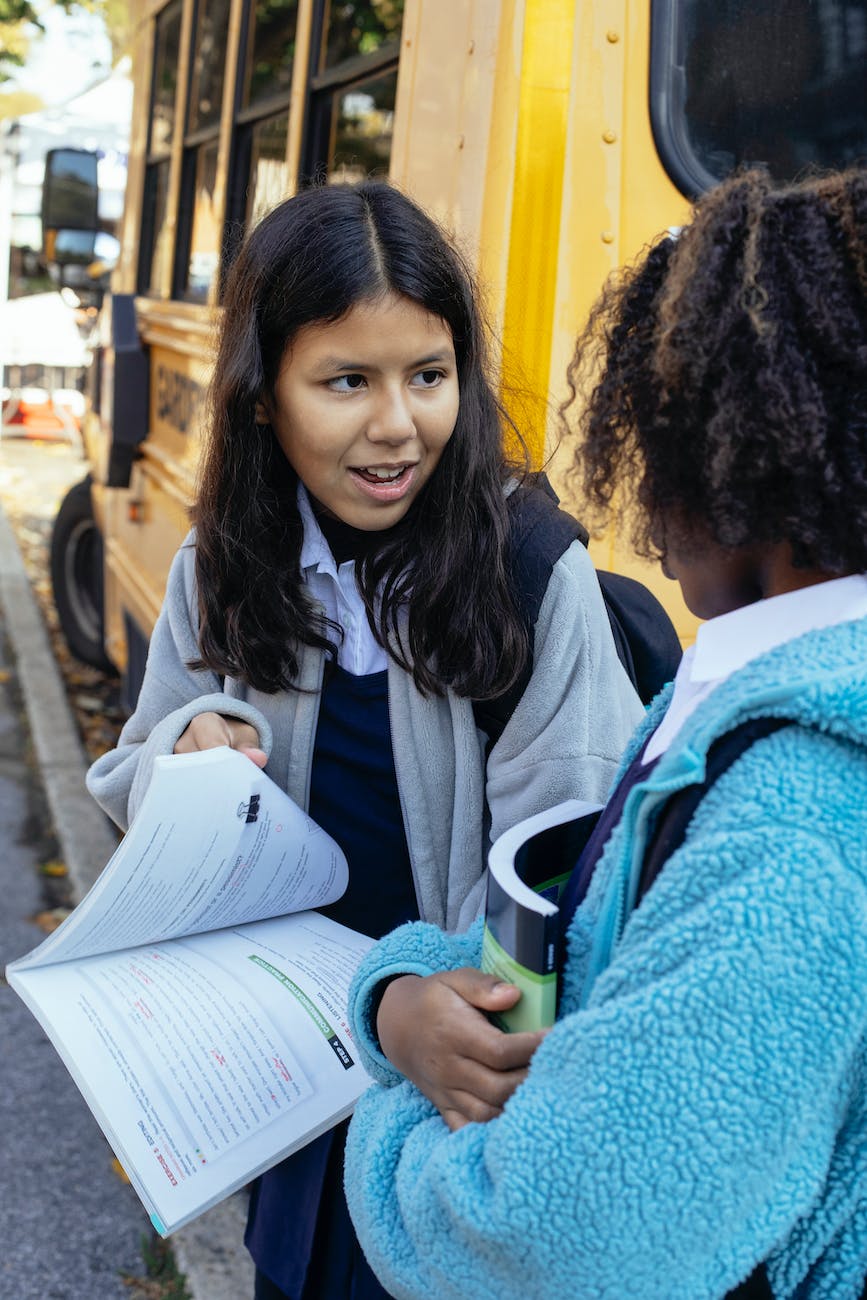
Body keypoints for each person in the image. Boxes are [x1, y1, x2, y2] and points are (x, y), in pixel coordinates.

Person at [85, 180, 643, 1300]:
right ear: (261, 400)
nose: (398, 425)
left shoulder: (528, 578)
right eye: (346, 381)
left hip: (462, 1122)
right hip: (299, 1096)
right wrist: (185, 748)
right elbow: (137, 773)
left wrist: (432, 1019)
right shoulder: (221, 570)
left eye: (428, 376)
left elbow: (570, 891)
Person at [342, 166, 867, 1299]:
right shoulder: (775, 699)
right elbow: (596, 961)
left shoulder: (798, 821)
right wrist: (395, 991)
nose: (642, 502)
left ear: (736, 461)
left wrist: (381, 1134)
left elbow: (550, 1242)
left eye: (657, 443)